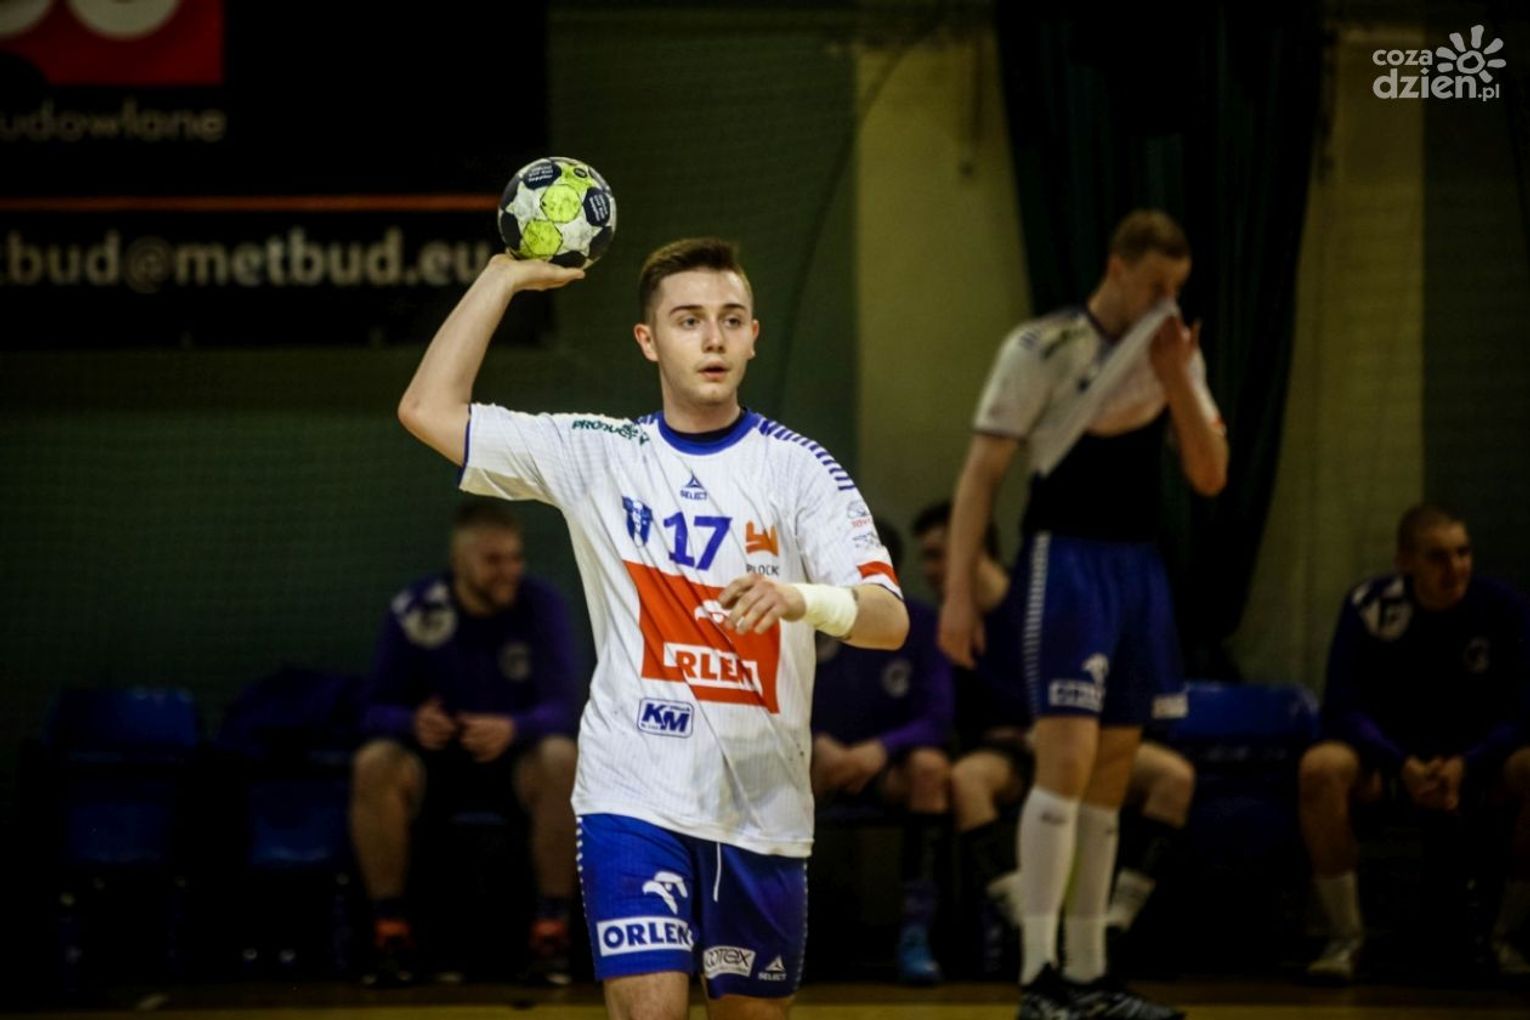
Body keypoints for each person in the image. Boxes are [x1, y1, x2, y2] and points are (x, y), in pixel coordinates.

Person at [395, 238, 909, 1020]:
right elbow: (427, 411)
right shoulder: (601, 455)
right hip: (632, 792)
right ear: (648, 340)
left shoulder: (800, 469)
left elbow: (889, 620)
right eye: (689, 320)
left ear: (754, 336)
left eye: (731, 319)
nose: (713, 339)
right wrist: (501, 279)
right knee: (651, 1011)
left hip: (762, 805)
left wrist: (802, 599)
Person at [938, 210, 1226, 1020]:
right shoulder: (1043, 347)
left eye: (1177, 288)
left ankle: (1092, 975)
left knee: (1111, 777)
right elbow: (980, 475)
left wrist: (1177, 378)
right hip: (1065, 563)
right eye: (1155, 285)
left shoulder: (1173, 351)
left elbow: (1210, 475)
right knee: (1064, 763)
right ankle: (1039, 977)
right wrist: (958, 594)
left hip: (1140, 570)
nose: (1167, 302)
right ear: (1116, 267)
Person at [912, 501, 1196, 978]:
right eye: (926, 557)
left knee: (1174, 777)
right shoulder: (949, 621)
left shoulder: (1040, 592)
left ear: (974, 548)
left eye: (939, 554)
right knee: (966, 780)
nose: (930, 570)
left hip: (1073, 735)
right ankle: (1029, 927)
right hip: (1008, 749)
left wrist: (1053, 726)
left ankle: (1116, 921)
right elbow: (952, 714)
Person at [349, 499, 582, 986]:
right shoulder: (418, 609)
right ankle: (391, 933)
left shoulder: (540, 605)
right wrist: (413, 722)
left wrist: (512, 727)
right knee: (374, 763)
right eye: (493, 560)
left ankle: (552, 931)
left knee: (563, 758)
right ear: (459, 560)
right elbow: (371, 709)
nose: (509, 571)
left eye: (515, 558)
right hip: (435, 762)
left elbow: (565, 706)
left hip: (514, 763)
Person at [1299, 503, 1530, 983]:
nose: (1456, 568)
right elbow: (1342, 705)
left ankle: (1507, 938)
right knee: (1320, 768)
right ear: (1405, 562)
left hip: (1477, 764)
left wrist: (1468, 763)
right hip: (1388, 764)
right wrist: (1400, 763)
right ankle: (1345, 938)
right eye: (1438, 557)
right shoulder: (1370, 606)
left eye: (1463, 553)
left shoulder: (1501, 608)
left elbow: (1523, 711)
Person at [809, 521, 954, 985]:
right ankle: (787, 930)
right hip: (815, 762)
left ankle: (916, 932)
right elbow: (773, 696)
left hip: (885, 767)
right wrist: (814, 740)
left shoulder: (921, 624)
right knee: (768, 760)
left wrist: (881, 749)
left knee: (930, 769)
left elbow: (939, 717)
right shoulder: (807, 615)